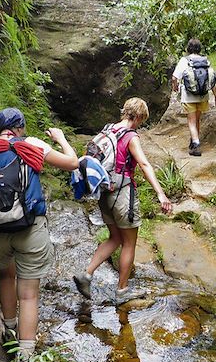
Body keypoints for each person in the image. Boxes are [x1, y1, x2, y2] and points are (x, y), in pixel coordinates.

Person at [0, 107, 78, 362]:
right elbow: (73, 163)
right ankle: (26, 354)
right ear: (20, 127)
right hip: (29, 228)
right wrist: (61, 138)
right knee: (29, 293)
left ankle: (9, 330)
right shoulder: (30, 145)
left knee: (6, 275)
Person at [73, 98, 172, 304]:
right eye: (141, 121)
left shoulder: (107, 130)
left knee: (115, 238)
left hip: (104, 193)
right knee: (129, 243)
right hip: (122, 194)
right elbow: (144, 164)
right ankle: (122, 291)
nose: (139, 125)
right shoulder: (130, 136)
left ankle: (87, 275)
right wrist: (161, 194)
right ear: (136, 117)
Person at [171, 38, 216, 156]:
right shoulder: (205, 61)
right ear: (200, 48)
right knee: (197, 120)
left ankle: (196, 143)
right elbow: (211, 80)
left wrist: (175, 87)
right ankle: (194, 141)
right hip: (203, 96)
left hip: (189, 96)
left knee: (191, 121)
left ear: (188, 48)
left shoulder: (185, 60)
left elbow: (174, 77)